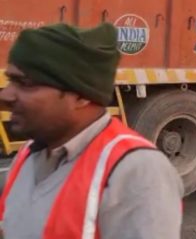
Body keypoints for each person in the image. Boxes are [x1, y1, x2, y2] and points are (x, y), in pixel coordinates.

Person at [0, 23, 183, 239]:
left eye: (26, 84)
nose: (6, 95)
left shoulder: (137, 171)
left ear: (80, 96)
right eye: (11, 80)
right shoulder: (27, 155)